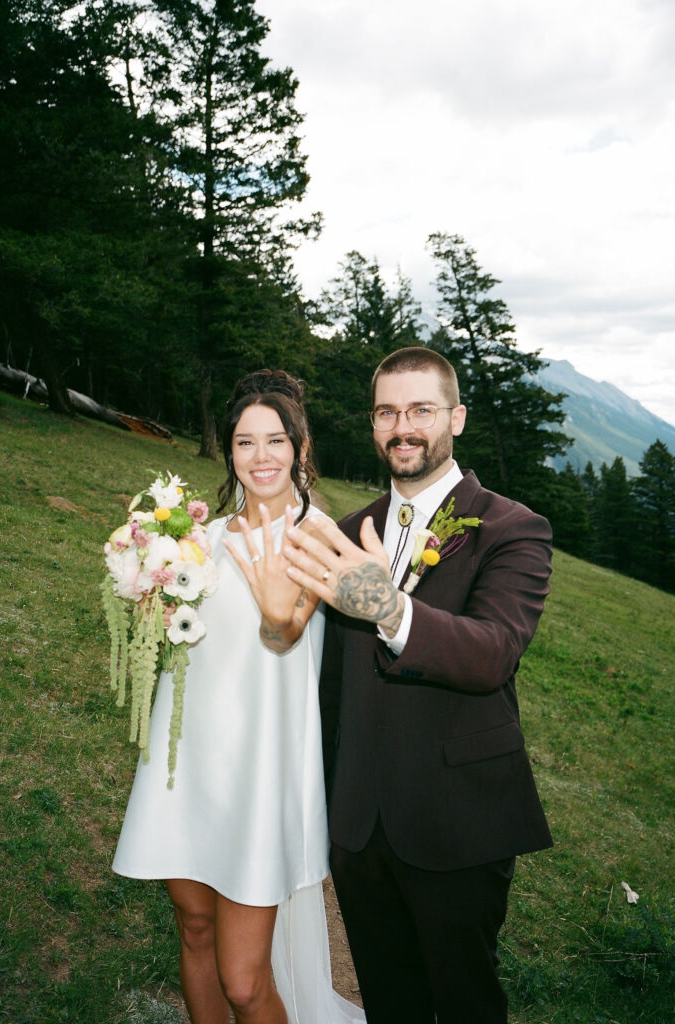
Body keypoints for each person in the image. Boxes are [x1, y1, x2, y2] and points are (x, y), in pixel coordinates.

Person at [281, 346, 553, 1024]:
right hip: (359, 825)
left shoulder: (510, 529)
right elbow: (329, 685)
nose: (403, 426)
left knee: (463, 1002)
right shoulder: (349, 533)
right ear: (374, 425)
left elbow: (493, 653)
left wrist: (391, 608)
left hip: (457, 822)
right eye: (387, 412)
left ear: (455, 418)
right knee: (390, 1000)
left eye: (421, 410)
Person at [112, 370, 365, 1024]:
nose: (261, 458)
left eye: (276, 441)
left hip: (260, 773)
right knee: (194, 927)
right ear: (229, 451)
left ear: (301, 449)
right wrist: (145, 590)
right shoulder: (203, 541)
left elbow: (286, 633)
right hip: (188, 761)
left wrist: (278, 617)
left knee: (245, 983)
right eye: (246, 443)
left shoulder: (318, 538)